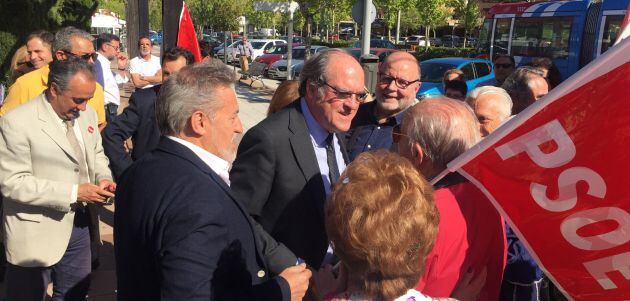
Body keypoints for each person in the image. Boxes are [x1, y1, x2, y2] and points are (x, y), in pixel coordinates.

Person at [114, 61, 312, 300]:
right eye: (233, 117)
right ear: (199, 122)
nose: (239, 127)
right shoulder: (199, 200)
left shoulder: (139, 171)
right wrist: (281, 290)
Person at [230, 49, 366, 268]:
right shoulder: (268, 139)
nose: (352, 105)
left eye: (358, 95)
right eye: (342, 93)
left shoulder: (334, 127)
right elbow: (240, 219)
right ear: (312, 90)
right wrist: (296, 268)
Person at [0, 58, 115, 301]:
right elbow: (13, 182)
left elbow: (96, 154)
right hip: (35, 230)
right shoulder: (16, 122)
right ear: (54, 90)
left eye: (88, 99)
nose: (84, 107)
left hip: (80, 225)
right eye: (78, 100)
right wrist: (73, 193)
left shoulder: (88, 115)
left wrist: (103, 178)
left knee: (76, 291)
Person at [396, 98, 507, 301]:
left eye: (398, 135)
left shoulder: (414, 215)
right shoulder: (493, 200)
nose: (395, 144)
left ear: (416, 154)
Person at [103, 47, 194, 179]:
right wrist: (129, 174)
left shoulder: (201, 102)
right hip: (149, 178)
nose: (169, 80)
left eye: (176, 75)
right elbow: (111, 134)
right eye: (166, 73)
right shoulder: (143, 100)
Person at [1, 27, 106, 126]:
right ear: (61, 56)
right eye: (85, 57)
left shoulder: (96, 89)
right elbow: (5, 124)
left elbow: (99, 125)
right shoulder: (25, 85)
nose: (92, 62)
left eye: (94, 56)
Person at [345, 51, 420, 161]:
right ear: (378, 77)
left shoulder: (417, 130)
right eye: (386, 78)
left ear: (416, 88)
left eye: (402, 82)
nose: (391, 87)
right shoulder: (353, 114)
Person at [96, 33, 128, 122]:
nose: (118, 51)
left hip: (110, 110)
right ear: (105, 46)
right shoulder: (97, 63)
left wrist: (121, 68)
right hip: (105, 109)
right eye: (116, 48)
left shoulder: (104, 63)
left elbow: (119, 83)